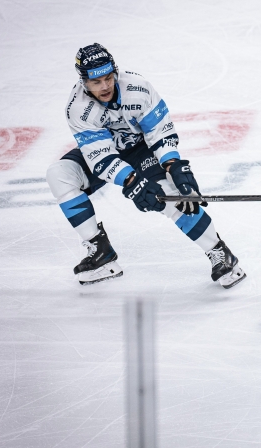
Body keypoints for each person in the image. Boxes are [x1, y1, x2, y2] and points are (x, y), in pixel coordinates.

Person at [46, 43, 245, 287]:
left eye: (109, 78)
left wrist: (173, 165)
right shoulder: (77, 108)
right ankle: (100, 252)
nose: (106, 86)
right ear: (84, 82)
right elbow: (100, 155)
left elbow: (159, 131)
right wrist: (132, 181)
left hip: (141, 149)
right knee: (59, 174)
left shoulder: (137, 88)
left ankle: (220, 253)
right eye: (97, 82)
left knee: (173, 195)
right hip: (106, 153)